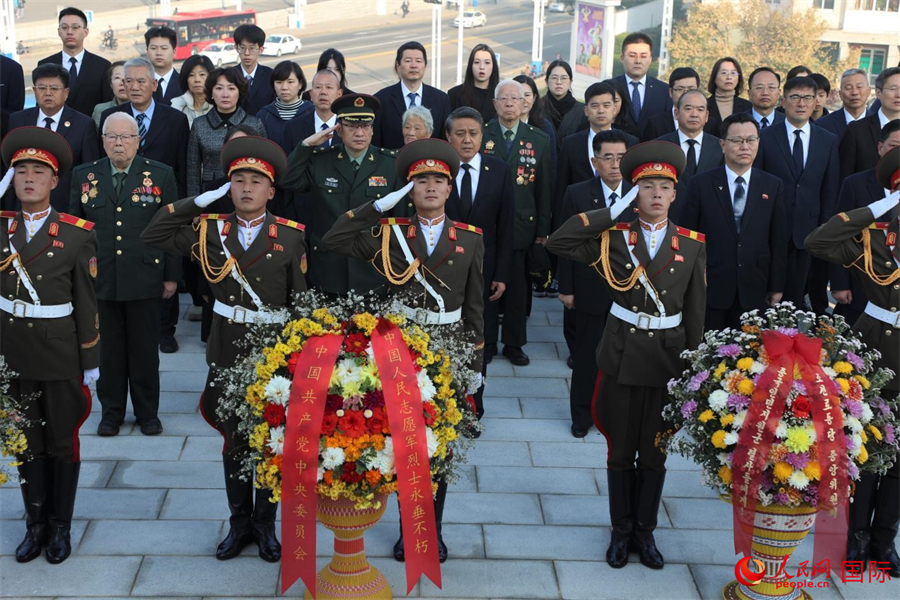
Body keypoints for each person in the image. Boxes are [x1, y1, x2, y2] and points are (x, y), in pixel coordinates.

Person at [142, 135, 306, 563]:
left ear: (272, 190)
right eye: (238, 181)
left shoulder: (289, 238)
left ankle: (266, 526)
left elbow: (300, 303)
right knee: (234, 440)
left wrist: (300, 362)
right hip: (228, 347)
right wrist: (199, 201)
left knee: (271, 439)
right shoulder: (209, 230)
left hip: (274, 352)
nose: (246, 189)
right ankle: (238, 524)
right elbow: (154, 232)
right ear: (227, 187)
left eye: (256, 181)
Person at [323, 138, 484, 565]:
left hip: (447, 349)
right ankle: (406, 529)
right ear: (408, 190)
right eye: (420, 181)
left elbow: (475, 309)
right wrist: (379, 207)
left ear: (450, 189)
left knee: (441, 444)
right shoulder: (389, 233)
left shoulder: (469, 239)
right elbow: (336, 238)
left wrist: (476, 369)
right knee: (401, 440)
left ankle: (431, 530)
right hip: (399, 348)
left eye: (438, 181)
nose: (430, 188)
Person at [547, 140, 705, 571]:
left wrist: (694, 370)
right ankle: (620, 531)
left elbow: (694, 312)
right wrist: (611, 213)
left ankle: (645, 531)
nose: (655, 194)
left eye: (663, 187)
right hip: (619, 353)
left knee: (654, 451)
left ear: (675, 194)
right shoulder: (613, 237)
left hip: (666, 360)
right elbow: (560, 241)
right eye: (646, 186)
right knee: (619, 450)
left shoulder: (691, 245)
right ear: (634, 191)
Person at [0, 127, 99, 565]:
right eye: (20, 171)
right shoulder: (2, 229)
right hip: (13, 354)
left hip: (59, 354)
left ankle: (61, 527)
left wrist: (90, 359)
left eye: (38, 171)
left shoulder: (76, 234)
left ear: (54, 181)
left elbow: (86, 301)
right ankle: (34, 524)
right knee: (25, 441)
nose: (28, 178)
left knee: (61, 442)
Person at [804, 147, 900, 578]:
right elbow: (818, 241)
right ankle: (855, 535)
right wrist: (877, 209)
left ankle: (885, 539)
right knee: (866, 446)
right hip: (874, 346)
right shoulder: (873, 236)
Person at [67, 112, 179, 437]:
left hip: (144, 276)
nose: (118, 143)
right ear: (102, 141)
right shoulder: (84, 176)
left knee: (144, 351)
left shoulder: (159, 175)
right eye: (111, 137)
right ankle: (111, 413)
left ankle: (148, 414)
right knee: (108, 352)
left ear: (137, 140)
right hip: (99, 279)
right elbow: (75, 231)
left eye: (125, 137)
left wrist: (171, 275)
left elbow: (171, 229)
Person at [99, 57, 190, 354]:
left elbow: (181, 164)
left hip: (163, 200)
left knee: (165, 260)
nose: (134, 87)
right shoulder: (111, 116)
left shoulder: (174, 119)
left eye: (141, 81)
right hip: (122, 201)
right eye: (129, 81)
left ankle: (166, 330)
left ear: (154, 84)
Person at [282, 93, 407, 297]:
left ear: (373, 130)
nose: (359, 133)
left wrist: (396, 272)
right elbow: (288, 180)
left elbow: (399, 223)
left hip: (372, 271)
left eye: (365, 126)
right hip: (329, 269)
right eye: (351, 126)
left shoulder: (390, 164)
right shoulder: (321, 160)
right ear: (338, 129)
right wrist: (306, 146)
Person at [556, 129, 632, 438]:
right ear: (594, 161)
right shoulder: (577, 193)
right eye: (608, 158)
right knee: (588, 356)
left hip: (629, 289)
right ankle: (581, 416)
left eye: (621, 158)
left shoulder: (640, 192)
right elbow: (564, 242)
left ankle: (615, 415)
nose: (615, 164)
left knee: (625, 357)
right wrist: (566, 287)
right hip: (589, 286)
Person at [680, 112, 787, 329]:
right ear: (722, 144)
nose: (744, 146)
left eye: (751, 140)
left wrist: (776, 285)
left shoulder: (772, 185)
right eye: (737, 140)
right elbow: (687, 236)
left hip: (755, 285)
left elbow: (778, 238)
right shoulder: (701, 184)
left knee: (750, 358)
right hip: (711, 285)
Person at [444, 106, 515, 422]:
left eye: (473, 133)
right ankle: (444, 406)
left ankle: (474, 408)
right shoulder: (439, 171)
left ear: (482, 136)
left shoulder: (499, 170)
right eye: (460, 133)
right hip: (443, 272)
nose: (467, 140)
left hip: (484, 274)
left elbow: (506, 227)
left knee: (479, 342)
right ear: (448, 137)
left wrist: (501, 273)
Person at [481, 80, 551, 367]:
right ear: (495, 103)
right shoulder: (481, 133)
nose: (510, 103)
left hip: (523, 225)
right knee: (486, 286)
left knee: (517, 290)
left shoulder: (539, 139)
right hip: (487, 224)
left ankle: (513, 344)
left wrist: (542, 232)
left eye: (516, 98)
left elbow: (545, 189)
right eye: (504, 98)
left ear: (525, 103)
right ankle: (484, 342)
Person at [754, 76, 839, 308]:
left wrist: (824, 228)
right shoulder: (766, 137)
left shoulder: (828, 141)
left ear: (816, 103)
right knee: (767, 298)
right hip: (771, 230)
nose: (801, 103)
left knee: (797, 299)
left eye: (808, 98)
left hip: (810, 231)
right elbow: (758, 182)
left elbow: (830, 189)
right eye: (795, 97)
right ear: (783, 101)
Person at [828, 121, 900, 325]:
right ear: (880, 148)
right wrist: (840, 283)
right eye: (894, 147)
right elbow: (838, 236)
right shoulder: (855, 184)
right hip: (863, 286)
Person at [6, 63, 99, 213]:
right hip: (23, 209)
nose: (48, 93)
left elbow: (89, 173)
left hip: (66, 208)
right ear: (35, 91)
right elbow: (10, 169)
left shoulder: (84, 124)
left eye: (54, 89)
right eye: (42, 88)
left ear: (66, 92)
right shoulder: (18, 120)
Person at [557, 82, 639, 216]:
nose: (601, 111)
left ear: (614, 109)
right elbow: (561, 188)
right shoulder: (570, 143)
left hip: (623, 218)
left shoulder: (631, 142)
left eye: (606, 105)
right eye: (595, 106)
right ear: (586, 111)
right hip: (581, 219)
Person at [187, 67, 266, 198]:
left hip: (247, 194)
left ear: (239, 92)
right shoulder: (199, 124)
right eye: (219, 88)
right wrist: (194, 204)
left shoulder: (255, 124)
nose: (225, 94)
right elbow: (192, 171)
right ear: (211, 92)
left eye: (231, 88)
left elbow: (263, 166)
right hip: (210, 193)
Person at [282, 69, 344, 224]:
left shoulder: (351, 128)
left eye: (329, 87)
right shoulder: (293, 128)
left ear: (339, 93)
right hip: (303, 215)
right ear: (310, 94)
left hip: (340, 214)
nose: (323, 92)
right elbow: (286, 173)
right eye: (318, 87)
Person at [656, 90, 724, 221]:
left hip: (709, 219)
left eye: (700, 109)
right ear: (676, 113)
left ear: (707, 115)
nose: (694, 114)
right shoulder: (659, 146)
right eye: (688, 108)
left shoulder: (720, 147)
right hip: (669, 220)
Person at [373, 42, 451, 150]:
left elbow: (445, 142)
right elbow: (376, 143)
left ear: (425, 65)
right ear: (398, 65)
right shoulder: (381, 99)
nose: (414, 65)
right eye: (408, 61)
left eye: (418, 61)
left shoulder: (441, 99)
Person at [39, 7, 112, 117]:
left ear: (85, 31)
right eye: (64, 27)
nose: (69, 32)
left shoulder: (102, 66)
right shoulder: (45, 64)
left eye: (75, 27)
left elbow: (107, 105)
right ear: (59, 31)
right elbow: (40, 104)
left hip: (90, 130)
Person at [840, 67, 900, 181]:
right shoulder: (856, 130)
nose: (898, 94)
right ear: (878, 92)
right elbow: (845, 177)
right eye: (893, 89)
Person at [614, 33, 672, 136]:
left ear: (650, 59)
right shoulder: (609, 88)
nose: (638, 61)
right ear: (622, 58)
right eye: (632, 56)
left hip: (653, 150)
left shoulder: (664, 91)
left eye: (643, 56)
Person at [255, 61, 312, 151]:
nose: (284, 87)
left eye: (290, 82)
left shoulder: (312, 112)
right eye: (279, 82)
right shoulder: (264, 116)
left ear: (300, 84)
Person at [641, 67, 699, 141]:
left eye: (691, 89)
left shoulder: (709, 124)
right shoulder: (655, 124)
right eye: (680, 89)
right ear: (670, 92)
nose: (686, 94)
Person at [447, 44, 499, 123]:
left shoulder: (500, 96)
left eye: (487, 63)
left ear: (493, 66)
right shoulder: (454, 94)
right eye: (477, 62)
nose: (482, 67)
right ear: (471, 65)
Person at [815, 68, 871, 140]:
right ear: (840, 94)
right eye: (848, 88)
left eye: (859, 87)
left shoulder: (880, 123)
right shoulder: (823, 125)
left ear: (868, 91)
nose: (854, 92)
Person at [543, 60, 587, 148]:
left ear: (570, 82)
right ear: (547, 82)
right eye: (554, 77)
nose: (559, 82)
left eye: (564, 78)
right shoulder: (536, 108)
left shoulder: (583, 111)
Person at [233, 24, 275, 117]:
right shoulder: (229, 76)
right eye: (242, 48)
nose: (247, 53)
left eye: (252, 48)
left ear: (261, 50)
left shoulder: (271, 76)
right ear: (236, 48)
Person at [704, 57, 752, 136]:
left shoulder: (748, 106)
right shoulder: (704, 106)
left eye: (733, 73)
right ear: (714, 78)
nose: (729, 77)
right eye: (724, 73)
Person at [170, 54, 214, 127]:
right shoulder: (177, 106)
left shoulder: (218, 105)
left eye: (202, 74)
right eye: (191, 75)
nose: (197, 80)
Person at [145, 26, 181, 106]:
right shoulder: (140, 84)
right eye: (153, 48)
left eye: (164, 48)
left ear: (174, 51)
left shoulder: (184, 83)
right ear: (147, 51)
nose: (158, 53)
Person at [91, 61, 129, 130]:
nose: (122, 83)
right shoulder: (100, 110)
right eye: (117, 78)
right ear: (111, 84)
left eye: (127, 78)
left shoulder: (142, 110)